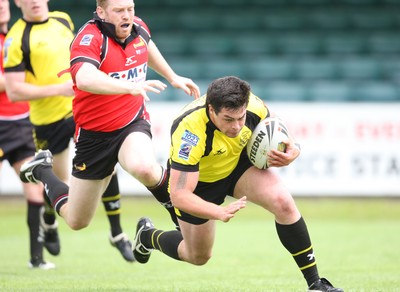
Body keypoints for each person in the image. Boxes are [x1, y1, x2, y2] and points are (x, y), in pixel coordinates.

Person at [130, 76, 343, 291]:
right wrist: (217, 211)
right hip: (201, 184)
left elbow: (273, 120)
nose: (237, 126)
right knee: (197, 255)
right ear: (211, 110)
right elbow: (179, 195)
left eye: (241, 118)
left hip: (238, 166)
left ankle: (315, 284)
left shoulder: (251, 105)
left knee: (283, 203)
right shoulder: (189, 132)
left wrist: (293, 147)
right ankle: (147, 236)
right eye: (229, 119)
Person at [17, 0, 200, 248]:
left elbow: (146, 45)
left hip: (131, 123)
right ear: (101, 12)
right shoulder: (89, 37)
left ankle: (180, 216)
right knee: (77, 220)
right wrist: (130, 86)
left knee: (144, 168)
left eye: (130, 9)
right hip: (94, 135)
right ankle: (42, 171)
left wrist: (172, 76)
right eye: (119, 11)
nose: (127, 16)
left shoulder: (137, 27)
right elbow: (84, 78)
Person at [4, 0, 135, 262]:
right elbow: (14, 91)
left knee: (107, 162)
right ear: (18, 2)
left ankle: (118, 233)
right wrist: (59, 89)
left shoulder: (63, 20)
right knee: (64, 183)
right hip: (47, 120)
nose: (34, 2)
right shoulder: (16, 38)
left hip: (81, 110)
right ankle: (50, 219)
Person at [0, 0, 56, 270]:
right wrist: (18, 80)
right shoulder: (15, 41)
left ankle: (37, 258)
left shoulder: (16, 36)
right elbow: (12, 84)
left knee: (35, 190)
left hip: (21, 124)